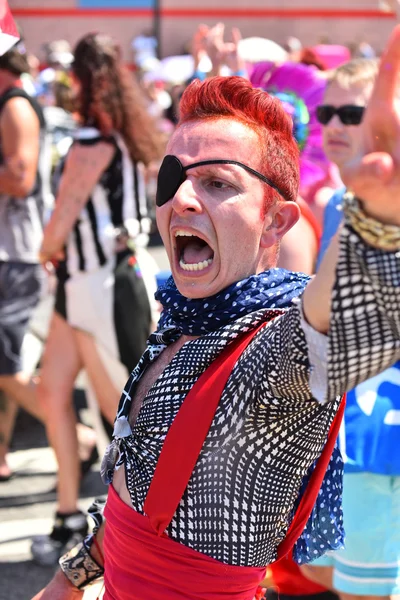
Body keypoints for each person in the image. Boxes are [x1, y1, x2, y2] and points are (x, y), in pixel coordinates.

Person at [33, 22, 400, 600]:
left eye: (217, 183)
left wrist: (380, 221)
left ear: (276, 221)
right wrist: (71, 575)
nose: (180, 197)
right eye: (174, 176)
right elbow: (141, 478)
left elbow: (341, 331)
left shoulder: (270, 347)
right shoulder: (188, 316)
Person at [30, 32, 164, 566]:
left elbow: (63, 216)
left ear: (82, 80)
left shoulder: (93, 141)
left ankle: (126, 528)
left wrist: (44, 249)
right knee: (52, 389)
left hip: (99, 281)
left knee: (119, 411)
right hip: (94, 280)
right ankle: (69, 512)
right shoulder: (127, 134)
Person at [300, 58, 400, 600]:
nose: (333, 125)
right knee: (322, 569)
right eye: (326, 111)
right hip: (341, 429)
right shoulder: (336, 203)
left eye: (351, 112)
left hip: (380, 433)